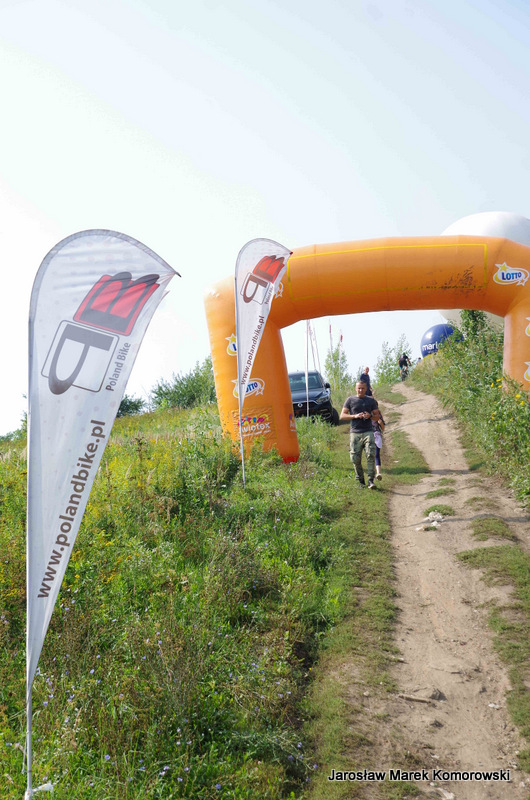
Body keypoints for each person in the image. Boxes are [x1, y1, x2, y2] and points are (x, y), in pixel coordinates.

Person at [340, 381, 379, 489]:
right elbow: (342, 416)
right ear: (355, 388)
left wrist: (370, 416)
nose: (361, 390)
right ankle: (361, 480)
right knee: (355, 458)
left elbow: (377, 417)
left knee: (370, 455)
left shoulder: (371, 400)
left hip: (368, 431)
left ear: (366, 389)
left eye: (362, 388)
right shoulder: (350, 400)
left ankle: (371, 480)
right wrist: (355, 416)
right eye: (359, 388)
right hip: (355, 432)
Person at [371, 407, 385, 480]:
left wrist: (381, 423)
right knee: (370, 455)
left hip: (377, 436)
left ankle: (378, 473)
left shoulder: (378, 414)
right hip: (368, 436)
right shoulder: (365, 413)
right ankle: (372, 474)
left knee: (376, 454)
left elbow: (383, 428)